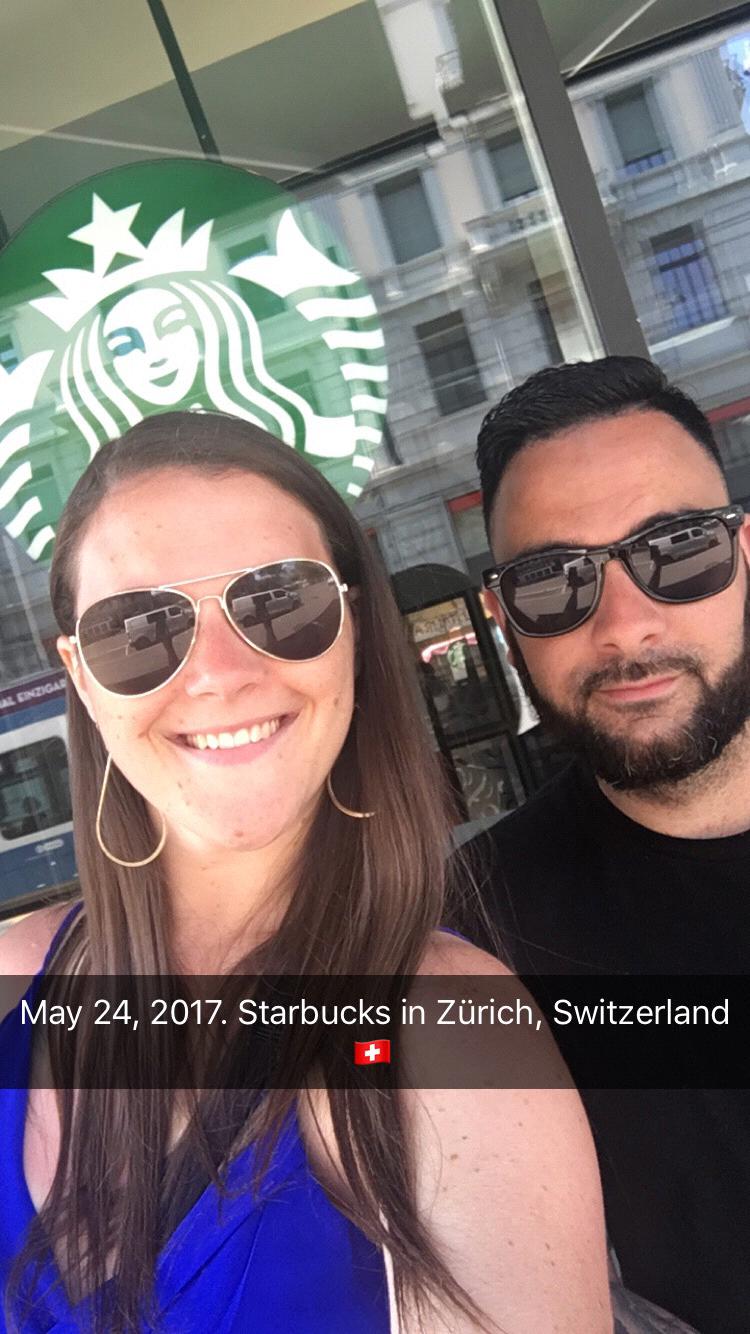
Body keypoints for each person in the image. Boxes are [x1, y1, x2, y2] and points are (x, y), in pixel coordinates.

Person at [0, 411, 610, 1334]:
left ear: (351, 630)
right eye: (139, 630)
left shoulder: (453, 1042)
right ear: (83, 678)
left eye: (279, 600)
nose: (219, 674)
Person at [471, 355, 750, 1334]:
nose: (625, 626)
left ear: (745, 554)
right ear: (506, 622)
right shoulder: (470, 942)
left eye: (677, 548)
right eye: (555, 581)